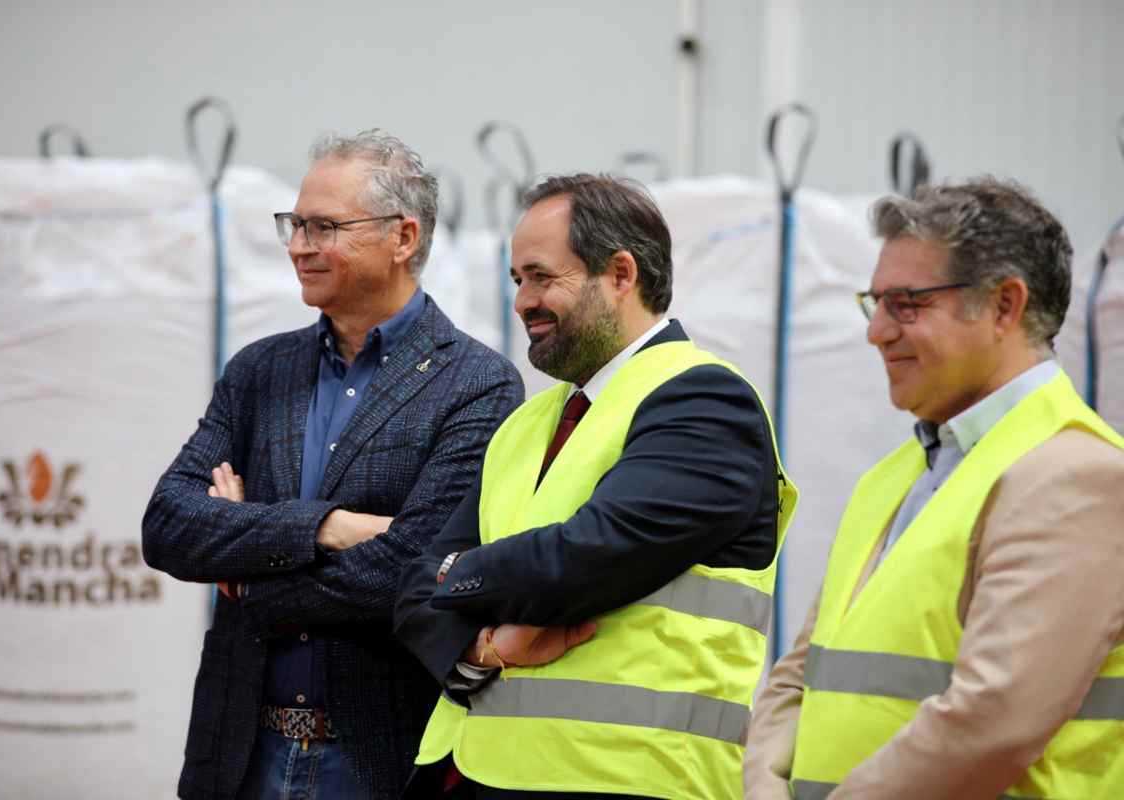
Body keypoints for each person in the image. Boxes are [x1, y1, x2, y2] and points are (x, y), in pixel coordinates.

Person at [142, 130, 523, 800]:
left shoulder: (477, 385)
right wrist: (326, 528)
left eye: (324, 227)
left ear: (403, 238)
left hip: (378, 757)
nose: (297, 246)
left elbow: (410, 572)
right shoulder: (260, 371)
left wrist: (243, 562)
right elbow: (167, 524)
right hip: (239, 750)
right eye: (294, 224)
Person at [394, 173, 798, 800]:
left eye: (541, 276)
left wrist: (455, 575)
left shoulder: (706, 400)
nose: (523, 301)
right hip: (480, 771)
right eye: (516, 280)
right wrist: (482, 651)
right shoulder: (529, 422)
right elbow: (415, 584)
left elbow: (578, 559)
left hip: (630, 777)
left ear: (620, 274)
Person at [744, 178, 1124, 799]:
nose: (878, 332)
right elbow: (799, 677)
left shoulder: (1079, 477)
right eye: (877, 303)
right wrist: (763, 785)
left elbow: (992, 723)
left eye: (908, 304)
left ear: (1005, 305)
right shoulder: (894, 477)